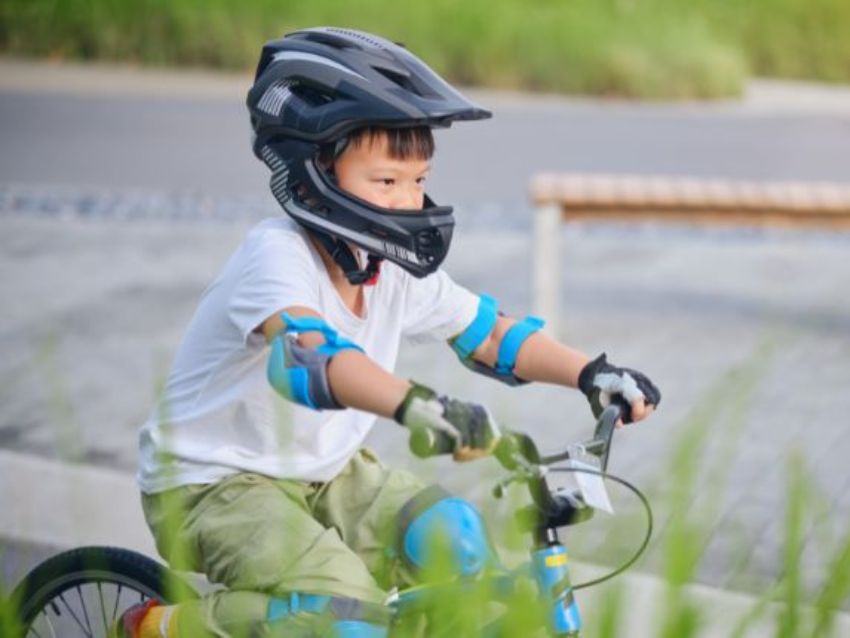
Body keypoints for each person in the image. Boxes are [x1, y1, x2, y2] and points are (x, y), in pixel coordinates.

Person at [115, 26, 660, 638]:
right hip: (211, 483)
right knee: (348, 618)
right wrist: (417, 405)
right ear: (314, 172)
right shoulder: (276, 257)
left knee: (454, 539)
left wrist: (590, 373)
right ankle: (159, 627)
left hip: (329, 471)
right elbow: (310, 360)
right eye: (386, 182)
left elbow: (490, 335)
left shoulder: (389, 267)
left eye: (419, 180)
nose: (409, 201)